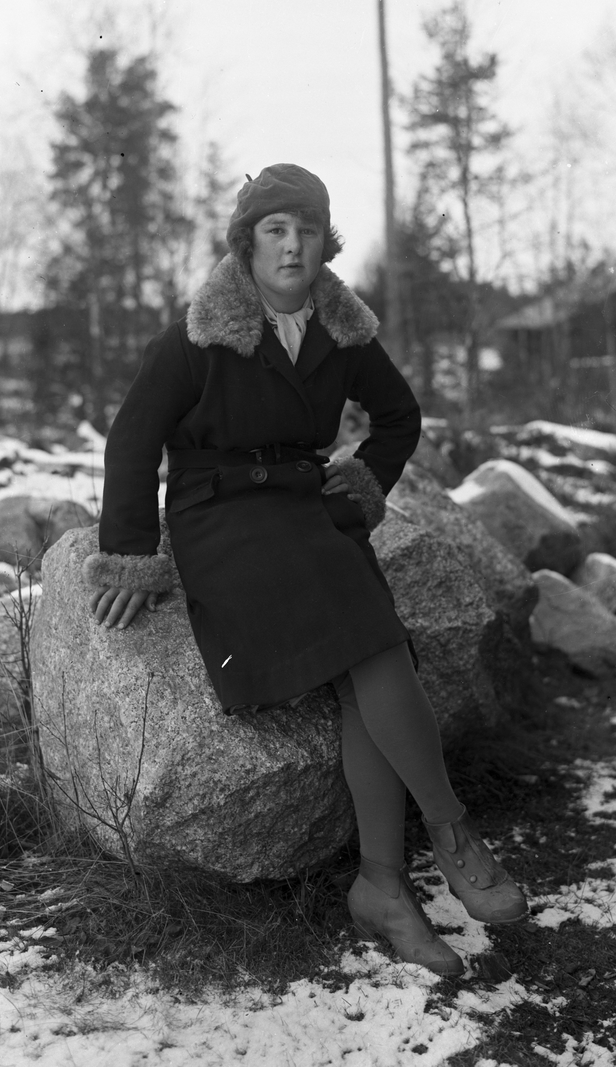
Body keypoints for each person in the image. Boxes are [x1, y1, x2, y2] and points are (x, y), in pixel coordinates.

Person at [85, 163, 527, 978]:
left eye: (308, 230)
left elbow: (399, 416)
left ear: (326, 243)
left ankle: (382, 885)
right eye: (276, 230)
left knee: (376, 651)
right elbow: (132, 439)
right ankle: (452, 831)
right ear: (247, 243)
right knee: (369, 641)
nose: (293, 246)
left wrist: (364, 482)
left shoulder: (340, 329)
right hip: (222, 518)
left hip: (304, 507)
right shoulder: (198, 335)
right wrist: (132, 553)